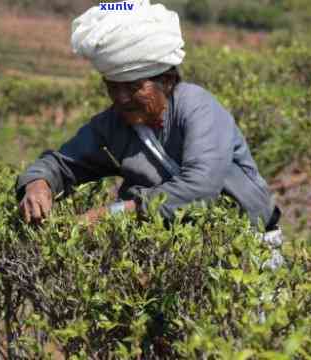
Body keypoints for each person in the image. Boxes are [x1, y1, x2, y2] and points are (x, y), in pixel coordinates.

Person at [16, 0, 281, 232]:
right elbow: (61, 164)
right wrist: (38, 184)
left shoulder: (198, 106)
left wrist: (117, 213)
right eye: (113, 87)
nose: (121, 98)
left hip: (248, 245)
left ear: (166, 81)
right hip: (174, 253)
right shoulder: (112, 125)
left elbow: (201, 187)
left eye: (133, 87)